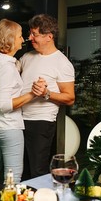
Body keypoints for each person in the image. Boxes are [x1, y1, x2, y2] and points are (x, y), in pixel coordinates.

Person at [0, 19, 38, 185]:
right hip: (8, 126)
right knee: (12, 179)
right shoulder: (6, 68)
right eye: (19, 36)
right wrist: (33, 94)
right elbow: (4, 105)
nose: (23, 39)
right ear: (11, 40)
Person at [20, 14, 75, 179]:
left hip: (41, 123)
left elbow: (70, 98)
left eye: (34, 34)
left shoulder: (62, 63)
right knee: (20, 171)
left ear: (49, 36)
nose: (30, 38)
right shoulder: (27, 57)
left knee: (37, 171)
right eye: (30, 34)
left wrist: (46, 93)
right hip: (17, 119)